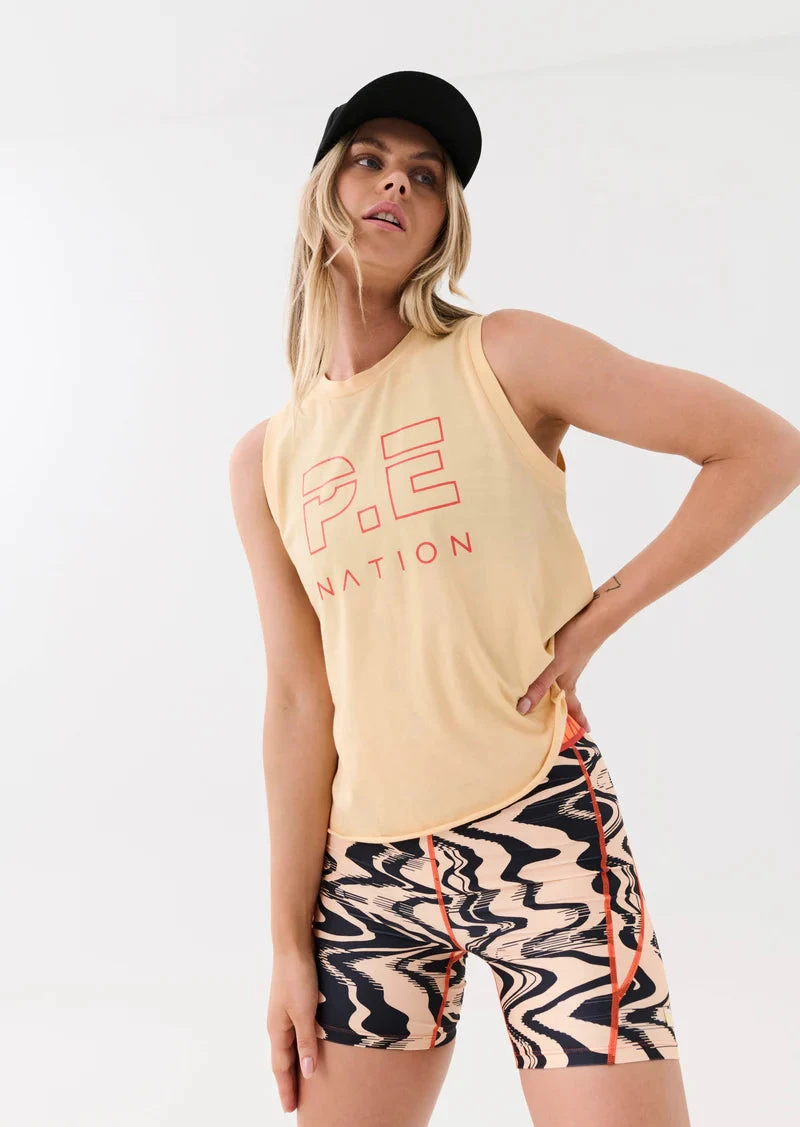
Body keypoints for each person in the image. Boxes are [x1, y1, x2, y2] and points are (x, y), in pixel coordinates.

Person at [229, 71, 800, 1127]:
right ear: (322, 188)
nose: (395, 185)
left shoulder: (503, 354)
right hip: (366, 877)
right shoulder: (265, 459)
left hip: (542, 831)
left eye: (425, 176)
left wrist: (598, 616)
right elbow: (300, 703)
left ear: (446, 220)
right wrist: (286, 945)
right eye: (369, 160)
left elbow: (761, 449)